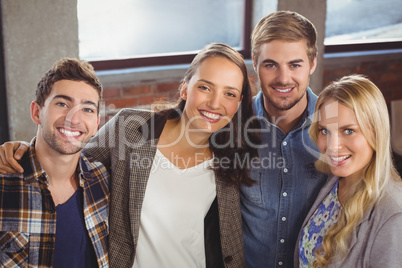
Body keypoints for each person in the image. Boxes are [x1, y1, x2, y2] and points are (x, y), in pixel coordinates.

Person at [0, 43, 259, 268]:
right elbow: (71, 152)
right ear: (184, 89)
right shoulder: (130, 129)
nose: (215, 103)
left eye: (230, 93)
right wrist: (24, 150)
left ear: (238, 103)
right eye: (205, 87)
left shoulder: (231, 159)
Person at [0, 58, 109, 267]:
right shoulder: (5, 183)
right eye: (62, 103)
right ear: (36, 112)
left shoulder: (104, 179)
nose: (73, 119)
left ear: (96, 124)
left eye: (87, 109)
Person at [240, 10, 328, 267]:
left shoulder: (337, 126)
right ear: (255, 62)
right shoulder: (232, 127)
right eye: (271, 65)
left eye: (295, 64)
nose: (283, 78)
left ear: (312, 64)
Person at [295, 74, 402, 267]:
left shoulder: (394, 214)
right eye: (325, 131)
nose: (332, 146)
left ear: (376, 133)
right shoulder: (332, 183)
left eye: (348, 130)